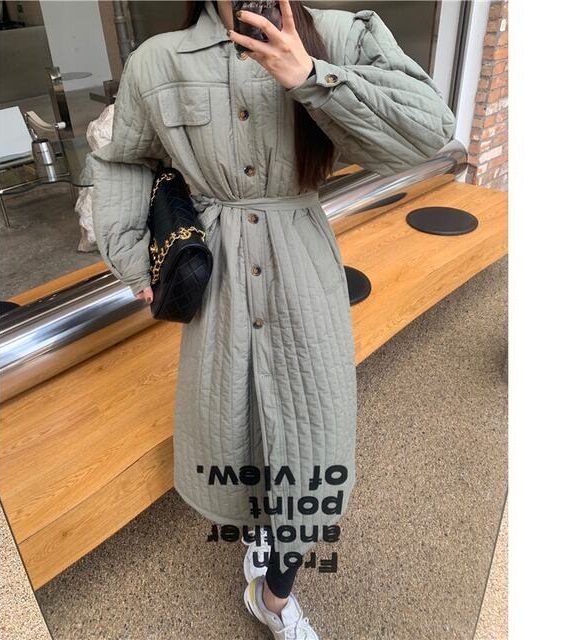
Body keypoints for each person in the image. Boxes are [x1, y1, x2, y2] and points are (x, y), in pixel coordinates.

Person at [83, 1, 456, 638]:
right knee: (234, 424)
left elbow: (428, 130)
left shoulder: (338, 35)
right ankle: (261, 530)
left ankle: (275, 596)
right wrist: (134, 255)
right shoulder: (158, 61)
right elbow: (123, 157)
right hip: (218, 275)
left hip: (302, 268)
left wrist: (312, 76)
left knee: (315, 440)